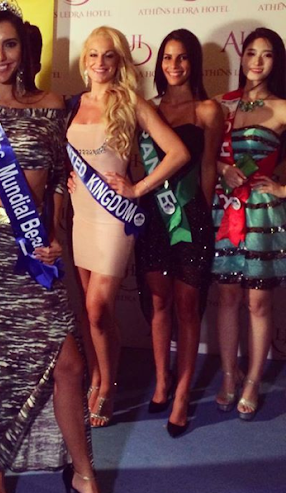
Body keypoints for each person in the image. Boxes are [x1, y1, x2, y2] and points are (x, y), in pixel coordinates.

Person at [0, 3, 110, 493]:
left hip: (31, 251)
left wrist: (54, 230)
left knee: (69, 364)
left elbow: (57, 176)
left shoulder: (52, 104)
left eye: (9, 44)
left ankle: (85, 478)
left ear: (24, 49)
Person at [66, 26, 190, 428]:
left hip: (114, 217)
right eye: (93, 55)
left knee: (97, 308)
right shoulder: (74, 103)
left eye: (109, 55)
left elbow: (178, 152)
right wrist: (67, 177)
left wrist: (137, 188)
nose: (100, 63)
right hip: (80, 214)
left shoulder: (130, 102)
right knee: (91, 314)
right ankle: (98, 374)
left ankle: (107, 386)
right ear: (84, 60)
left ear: (119, 61)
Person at [134, 29, 223, 437]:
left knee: (188, 307)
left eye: (182, 57)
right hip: (154, 220)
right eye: (168, 57)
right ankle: (162, 380)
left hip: (190, 219)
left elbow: (208, 166)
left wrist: (202, 215)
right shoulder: (147, 109)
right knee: (159, 303)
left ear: (194, 63)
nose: (174, 65)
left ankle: (183, 395)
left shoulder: (208, 110)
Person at [212, 27, 286, 421]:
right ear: (241, 57)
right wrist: (221, 167)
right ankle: (229, 375)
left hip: (261, 214)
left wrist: (282, 189)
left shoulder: (282, 107)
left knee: (258, 301)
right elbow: (199, 154)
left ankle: (254, 380)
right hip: (225, 211)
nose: (257, 61)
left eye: (267, 54)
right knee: (227, 297)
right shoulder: (222, 105)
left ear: (277, 61)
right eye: (251, 52)